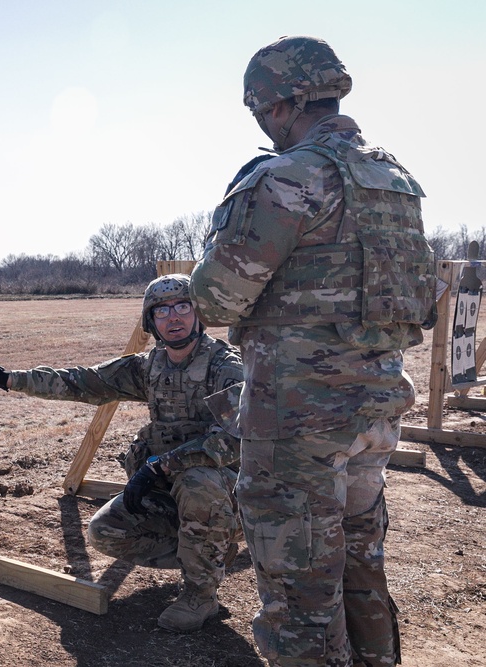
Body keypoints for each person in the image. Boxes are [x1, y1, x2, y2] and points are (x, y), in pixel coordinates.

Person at [190, 35, 437, 666]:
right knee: (361, 573)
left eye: (259, 113)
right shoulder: (396, 180)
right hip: (374, 413)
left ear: (279, 105)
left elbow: (217, 298)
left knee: (301, 599)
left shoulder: (287, 177)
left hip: (299, 423)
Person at [0, 274, 243, 633]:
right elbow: (85, 382)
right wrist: (11, 380)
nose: (173, 317)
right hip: (167, 484)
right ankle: (210, 551)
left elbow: (231, 439)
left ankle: (200, 594)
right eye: (161, 311)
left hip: (228, 491)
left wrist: (159, 466)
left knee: (197, 483)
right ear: (151, 321)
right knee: (106, 531)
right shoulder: (150, 366)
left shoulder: (225, 365)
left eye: (182, 306)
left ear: (199, 313)